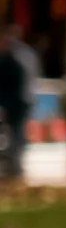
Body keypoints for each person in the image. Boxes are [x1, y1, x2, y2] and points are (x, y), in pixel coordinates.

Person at [0, 25, 34, 182]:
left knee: (17, 138)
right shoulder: (10, 60)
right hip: (12, 106)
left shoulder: (17, 60)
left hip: (17, 107)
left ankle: (15, 169)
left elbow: (18, 88)